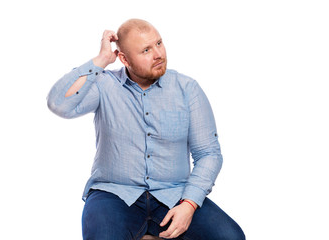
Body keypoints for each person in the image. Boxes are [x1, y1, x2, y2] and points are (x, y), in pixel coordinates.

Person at [47, 18, 245, 240]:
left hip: (175, 194)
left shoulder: (187, 89)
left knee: (231, 237)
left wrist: (189, 204)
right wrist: (101, 60)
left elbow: (209, 154)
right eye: (146, 50)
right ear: (124, 58)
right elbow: (59, 104)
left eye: (159, 43)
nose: (158, 54)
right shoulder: (104, 85)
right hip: (114, 193)